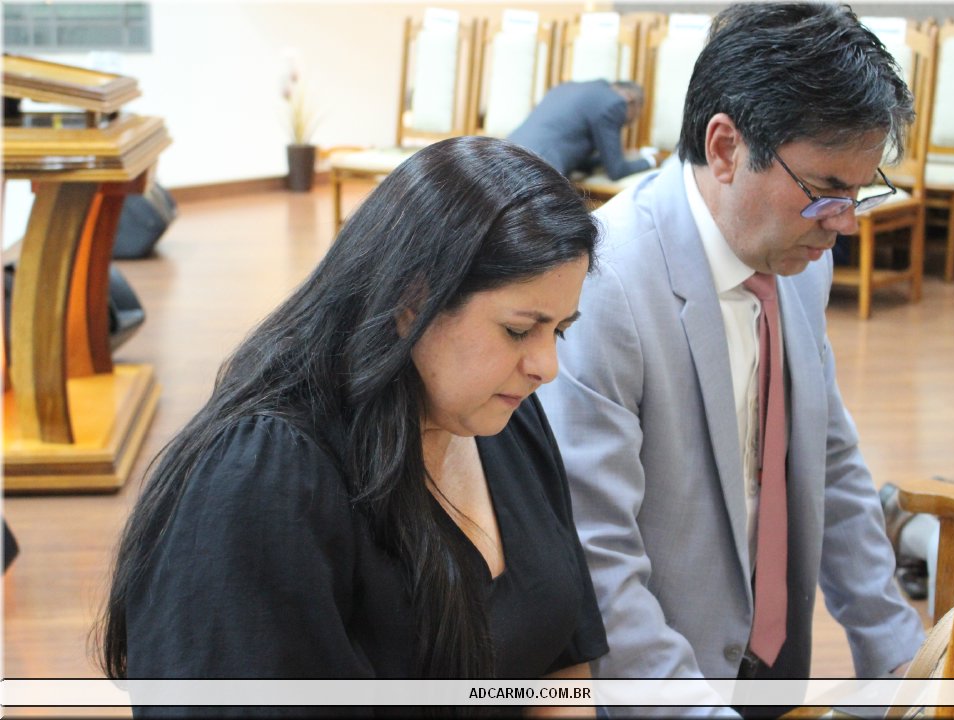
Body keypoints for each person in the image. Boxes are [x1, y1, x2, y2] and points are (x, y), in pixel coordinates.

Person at [96, 136, 607, 716]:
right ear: (413, 301)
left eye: (559, 330)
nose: (546, 366)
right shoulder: (266, 479)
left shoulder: (503, 413)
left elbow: (562, 661)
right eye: (519, 330)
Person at [536, 3, 926, 714]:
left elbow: (827, 455)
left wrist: (898, 654)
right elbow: (598, 559)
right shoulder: (607, 284)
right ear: (724, 148)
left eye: (860, 192)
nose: (844, 225)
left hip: (770, 660)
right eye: (826, 191)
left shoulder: (799, 258)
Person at [507, 80, 657, 182]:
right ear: (631, 100)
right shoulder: (614, 103)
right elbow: (617, 171)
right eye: (638, 113)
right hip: (537, 171)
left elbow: (573, 153)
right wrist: (651, 160)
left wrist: (611, 158)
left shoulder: (567, 88)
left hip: (507, 154)